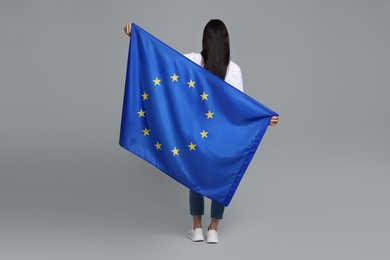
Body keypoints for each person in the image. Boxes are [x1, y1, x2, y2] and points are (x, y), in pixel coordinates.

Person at [124, 20, 279, 244]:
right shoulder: (234, 69)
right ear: (226, 42)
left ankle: (196, 228)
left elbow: (163, 61)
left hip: (195, 136)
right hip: (221, 139)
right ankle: (213, 230)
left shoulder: (193, 60)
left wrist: (136, 37)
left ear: (205, 40)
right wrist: (264, 120)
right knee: (221, 178)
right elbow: (241, 107)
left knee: (195, 176)